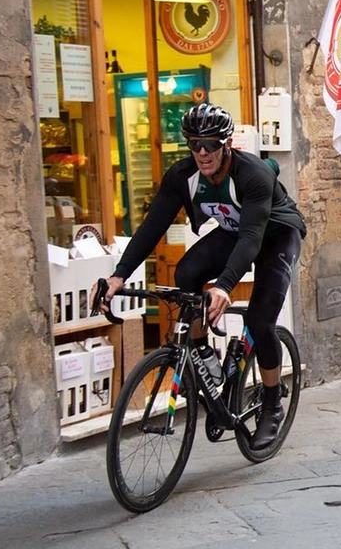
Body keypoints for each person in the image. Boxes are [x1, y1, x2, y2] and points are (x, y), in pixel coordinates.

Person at [104, 103, 306, 449]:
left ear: (226, 144)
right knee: (186, 273)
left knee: (260, 320)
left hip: (275, 235)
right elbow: (153, 227)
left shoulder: (251, 174)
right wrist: (119, 275)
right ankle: (203, 353)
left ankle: (271, 404)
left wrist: (225, 286)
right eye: (194, 144)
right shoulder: (183, 177)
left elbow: (252, 238)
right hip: (233, 232)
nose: (201, 152)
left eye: (210, 144)